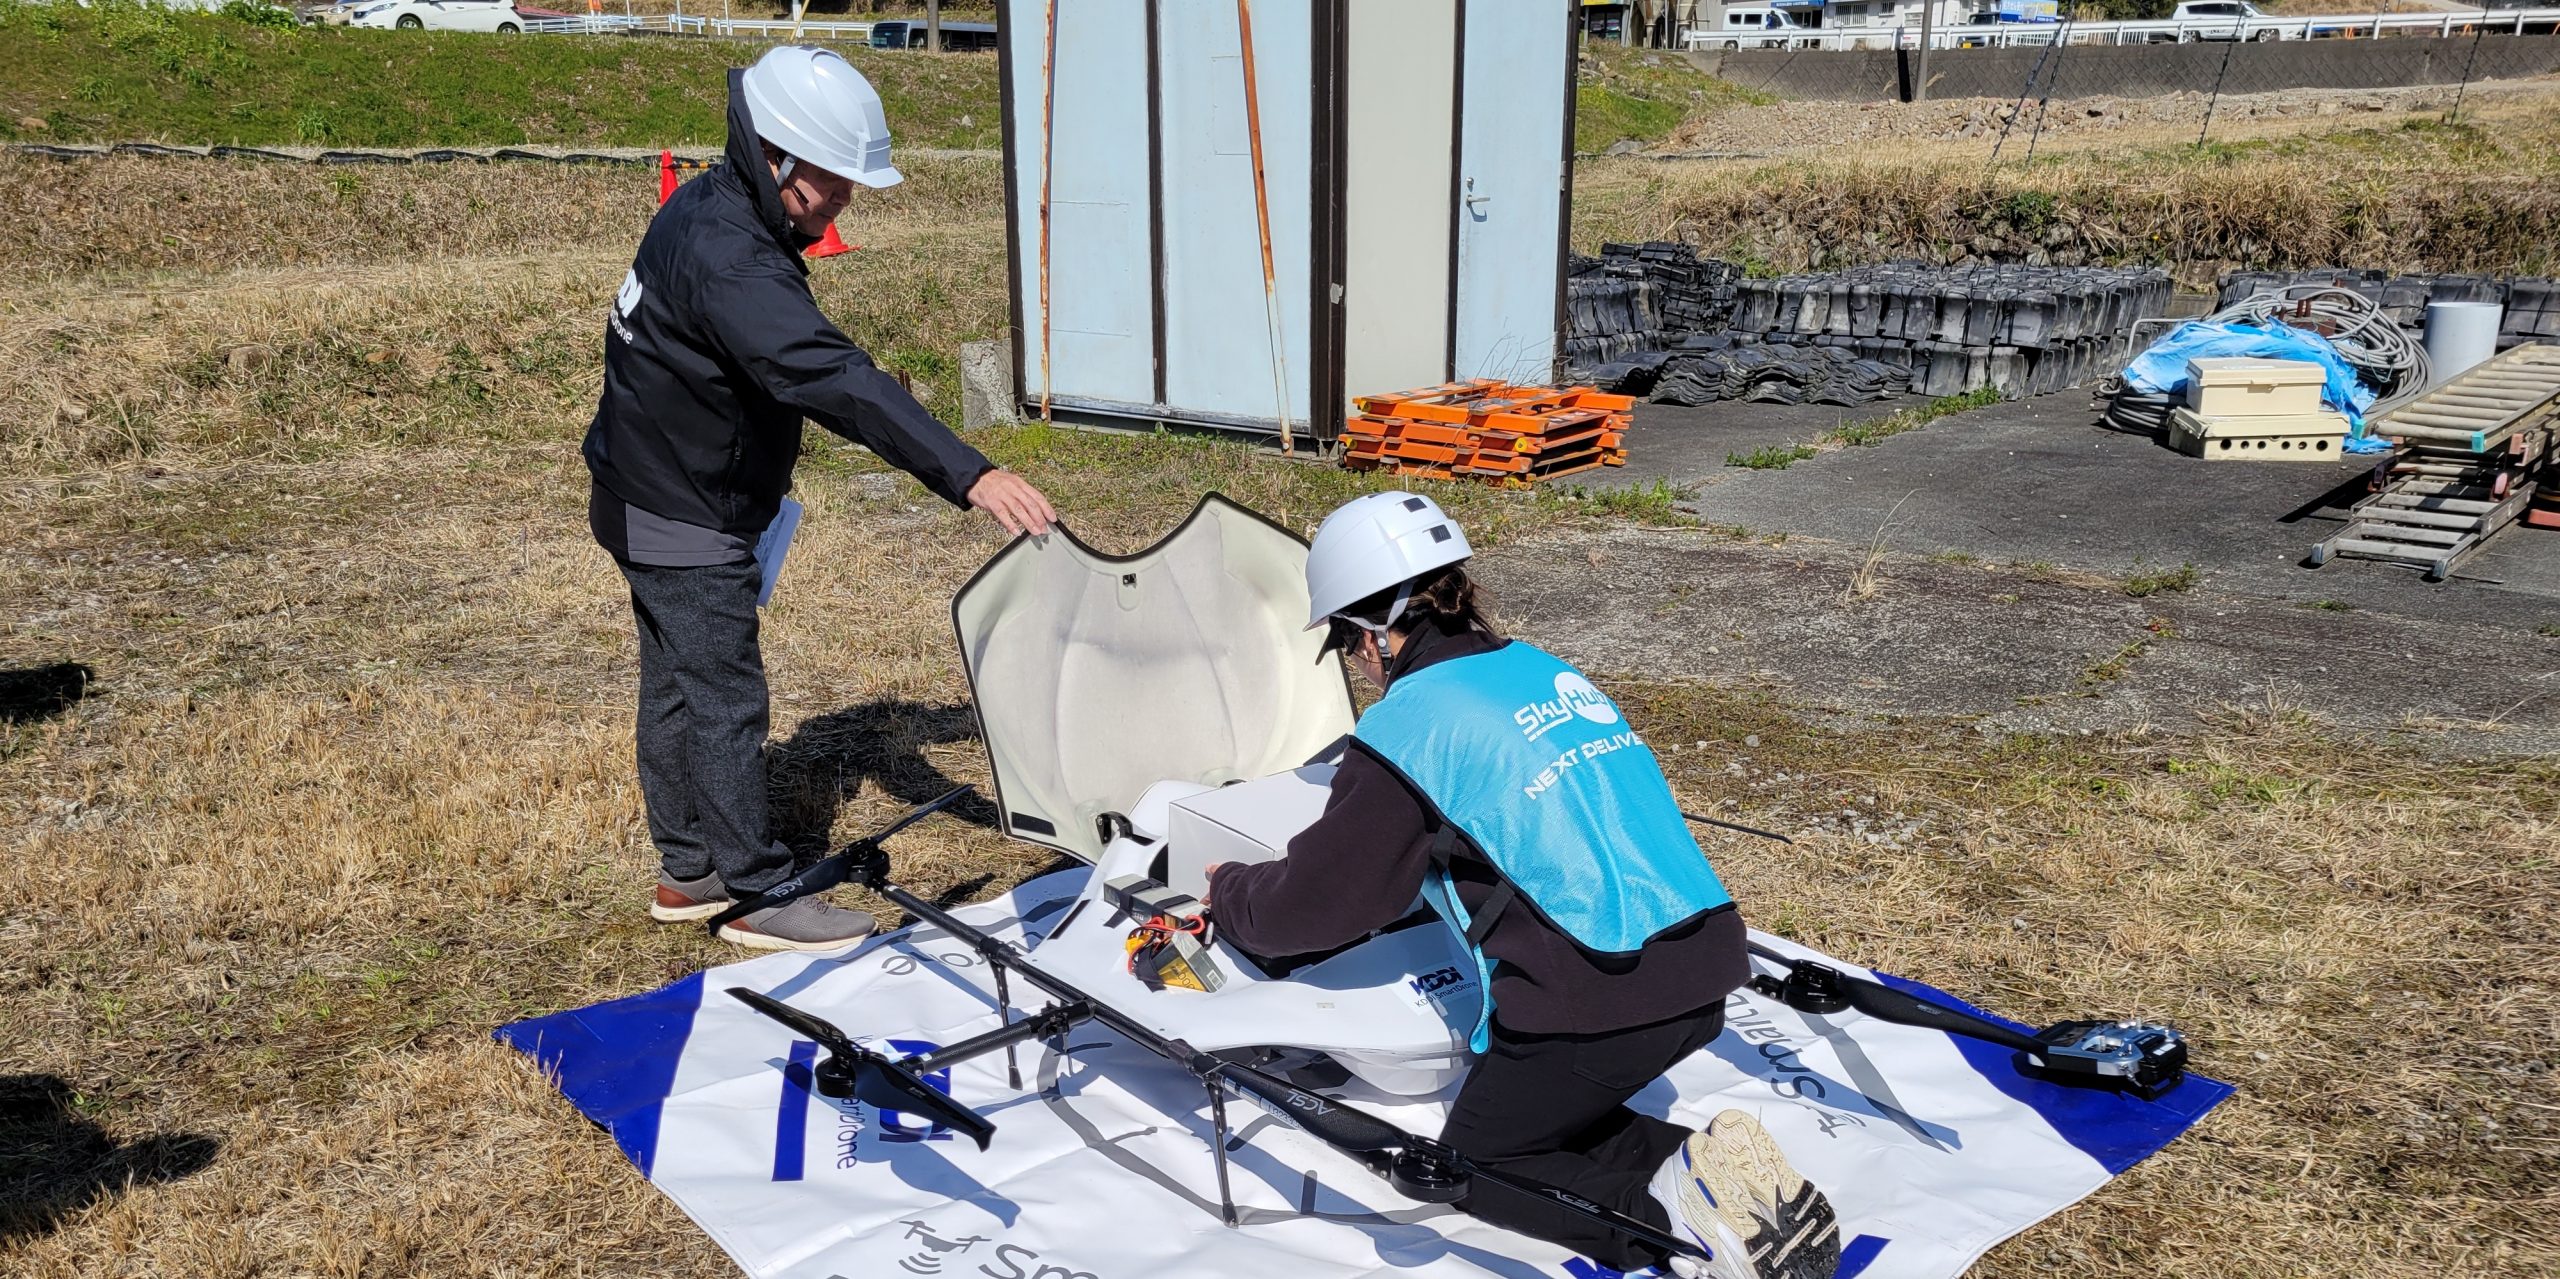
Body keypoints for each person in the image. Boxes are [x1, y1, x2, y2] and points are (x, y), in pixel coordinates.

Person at [1205, 493, 1838, 1279]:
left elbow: (1321, 905)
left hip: (1600, 999)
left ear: (1370, 634)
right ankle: (1728, 1172)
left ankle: (1682, 1229)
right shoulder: (1538, 670)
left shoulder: (1413, 725)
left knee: (1481, 1159)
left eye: (1343, 644)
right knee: (1555, 1113)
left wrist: (1228, 889)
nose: (1357, 668)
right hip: (1702, 963)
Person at [583, 45, 1055, 952]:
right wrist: (970, 471)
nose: (843, 203)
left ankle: (687, 870)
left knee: (677, 685)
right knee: (722, 695)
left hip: (638, 486)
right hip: (681, 508)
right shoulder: (735, 264)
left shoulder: (709, 207)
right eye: (833, 184)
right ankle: (755, 891)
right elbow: (833, 378)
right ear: (775, 157)